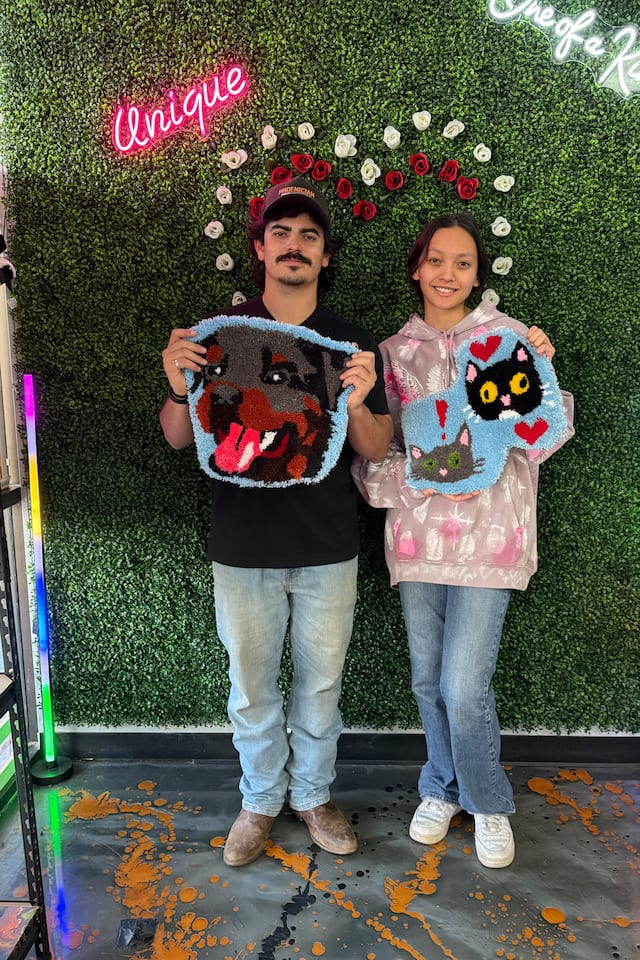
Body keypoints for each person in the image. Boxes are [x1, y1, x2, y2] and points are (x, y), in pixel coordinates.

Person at [160, 176, 393, 867]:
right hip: (242, 544)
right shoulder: (217, 334)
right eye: (281, 233)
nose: (294, 245)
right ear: (259, 248)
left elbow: (378, 448)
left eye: (309, 236)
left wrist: (358, 401)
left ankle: (312, 796)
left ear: (325, 255)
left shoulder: (352, 341)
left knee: (320, 685)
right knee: (252, 688)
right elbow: (176, 436)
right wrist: (178, 385)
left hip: (328, 545)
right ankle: (260, 800)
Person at [353, 213, 574, 868]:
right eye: (437, 260)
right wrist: (425, 476)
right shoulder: (392, 354)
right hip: (418, 539)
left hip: (492, 539)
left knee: (462, 684)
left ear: (478, 275)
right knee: (428, 680)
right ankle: (440, 787)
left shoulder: (509, 340)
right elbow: (379, 451)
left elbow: (543, 438)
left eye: (463, 263)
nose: (448, 274)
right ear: (417, 268)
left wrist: (541, 373)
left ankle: (488, 801)